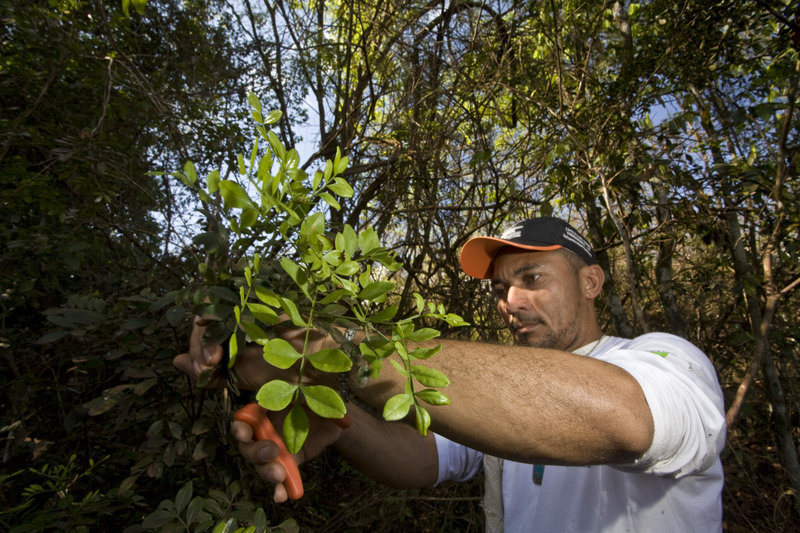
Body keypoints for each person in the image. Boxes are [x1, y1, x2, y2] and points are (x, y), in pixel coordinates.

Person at [174, 216, 726, 532]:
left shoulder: (666, 359)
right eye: (501, 289)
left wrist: (322, 347)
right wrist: (333, 408)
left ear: (591, 283)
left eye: (532, 277)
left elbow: (625, 420)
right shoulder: (494, 393)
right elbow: (422, 460)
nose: (511, 301)